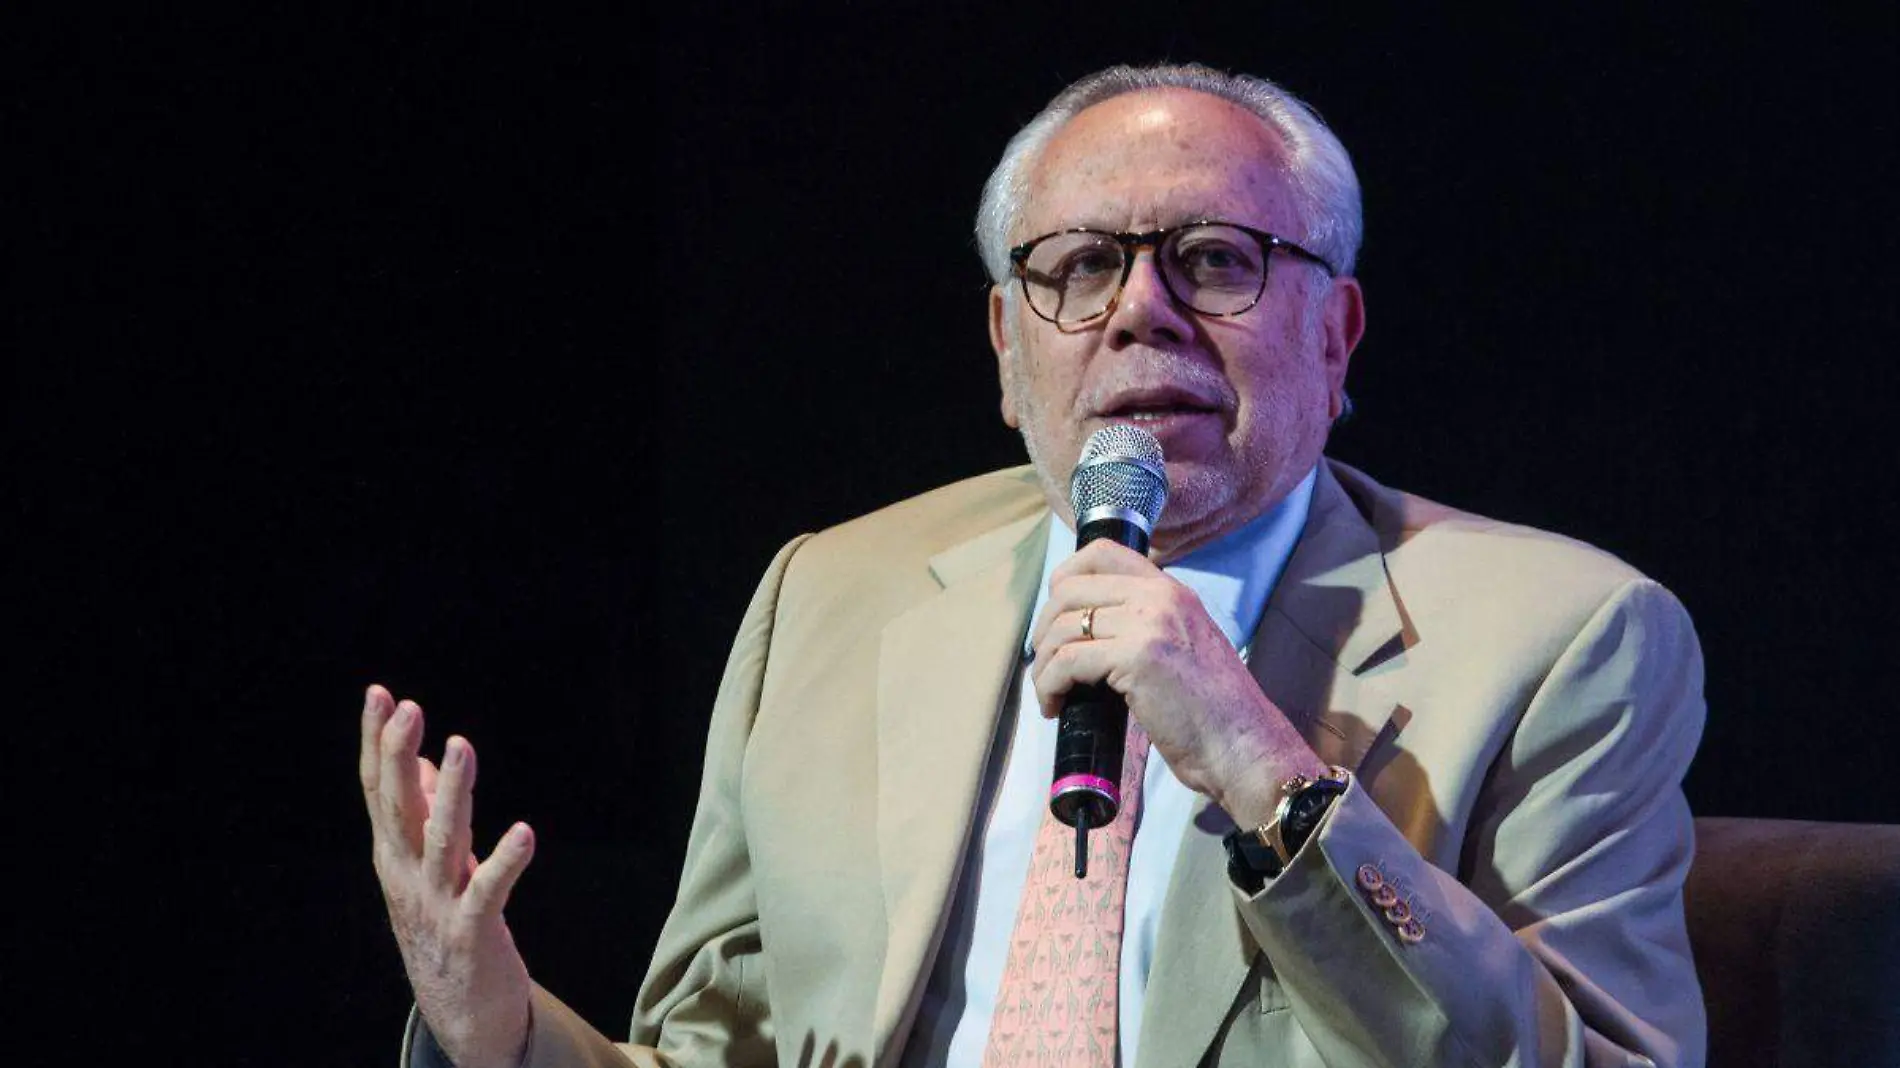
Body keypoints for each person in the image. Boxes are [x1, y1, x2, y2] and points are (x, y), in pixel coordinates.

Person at [359, 62, 1707, 1067]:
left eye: (1215, 261)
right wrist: (499, 1034)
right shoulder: (830, 598)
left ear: (1335, 332)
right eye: (1080, 267)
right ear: (1008, 347)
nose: (1141, 313)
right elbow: (725, 1053)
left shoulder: (1567, 639)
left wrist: (1266, 774)